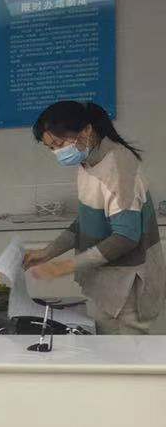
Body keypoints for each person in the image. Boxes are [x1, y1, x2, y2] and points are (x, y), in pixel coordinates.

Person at [23, 100, 164, 334]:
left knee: (125, 355)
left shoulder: (118, 166)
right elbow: (87, 221)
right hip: (106, 282)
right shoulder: (88, 163)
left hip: (127, 286)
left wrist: (67, 266)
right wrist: (48, 252)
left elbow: (125, 237)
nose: (58, 153)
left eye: (59, 144)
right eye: (51, 148)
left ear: (86, 130)